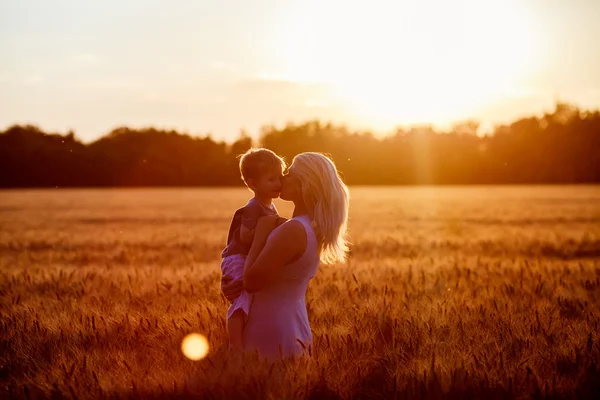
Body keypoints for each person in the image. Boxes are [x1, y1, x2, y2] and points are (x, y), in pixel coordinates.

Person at [221, 152, 350, 360]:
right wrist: (232, 285)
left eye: (288, 173)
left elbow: (252, 280)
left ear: (303, 185)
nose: (282, 178)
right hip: (291, 326)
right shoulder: (309, 227)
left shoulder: (293, 230)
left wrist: (261, 233)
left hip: (271, 333)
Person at [220, 148, 286, 351]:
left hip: (249, 256)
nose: (278, 183)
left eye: (280, 178)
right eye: (271, 179)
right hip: (237, 258)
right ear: (252, 184)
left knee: (253, 299)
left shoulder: (270, 206)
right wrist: (270, 226)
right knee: (240, 298)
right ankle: (235, 345)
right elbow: (245, 236)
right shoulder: (252, 208)